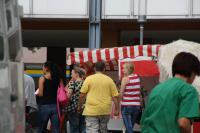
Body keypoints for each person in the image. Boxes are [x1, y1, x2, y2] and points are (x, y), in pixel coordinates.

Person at [141, 52, 200, 133]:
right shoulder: (189, 90)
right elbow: (183, 123)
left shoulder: (157, 88)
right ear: (192, 72)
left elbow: (144, 120)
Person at [78, 61, 119, 133]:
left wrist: (79, 106)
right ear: (104, 69)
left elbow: (82, 96)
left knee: (92, 130)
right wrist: (117, 109)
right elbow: (115, 97)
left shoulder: (89, 79)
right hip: (105, 110)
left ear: (94, 69)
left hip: (91, 110)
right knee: (103, 130)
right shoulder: (109, 80)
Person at [36, 61, 62, 133]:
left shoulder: (42, 78)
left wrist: (36, 93)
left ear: (47, 68)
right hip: (56, 106)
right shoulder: (58, 78)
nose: (42, 68)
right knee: (55, 129)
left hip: (45, 106)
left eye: (43, 67)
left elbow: (41, 94)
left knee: (42, 128)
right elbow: (62, 90)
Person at [120, 62, 141, 133]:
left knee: (129, 129)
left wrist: (119, 100)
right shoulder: (138, 77)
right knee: (130, 127)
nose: (122, 70)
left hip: (126, 105)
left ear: (128, 69)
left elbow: (121, 93)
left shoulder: (125, 79)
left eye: (124, 68)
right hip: (136, 106)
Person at [63, 66, 86, 133]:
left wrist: (66, 90)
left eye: (72, 73)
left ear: (76, 74)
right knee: (83, 126)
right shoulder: (85, 83)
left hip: (74, 109)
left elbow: (68, 96)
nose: (71, 75)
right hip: (84, 107)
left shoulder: (73, 83)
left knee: (74, 127)